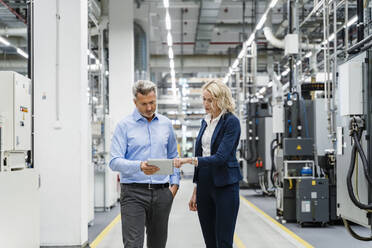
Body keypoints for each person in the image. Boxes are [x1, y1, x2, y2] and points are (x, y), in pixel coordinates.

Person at [109, 80, 180, 248]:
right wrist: (139, 166)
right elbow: (114, 162)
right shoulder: (124, 126)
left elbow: (173, 155)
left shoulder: (165, 124)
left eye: (152, 103)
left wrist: (174, 186)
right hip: (133, 194)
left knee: (158, 244)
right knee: (133, 244)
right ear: (135, 102)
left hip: (162, 193)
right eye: (144, 104)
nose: (149, 108)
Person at [174, 80, 242, 248]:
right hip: (204, 184)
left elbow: (220, 158)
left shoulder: (231, 122)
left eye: (210, 100)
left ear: (221, 99)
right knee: (210, 241)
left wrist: (188, 160)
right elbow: (201, 153)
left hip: (225, 184)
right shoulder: (205, 122)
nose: (205, 104)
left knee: (223, 242)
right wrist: (196, 189)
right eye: (204, 99)